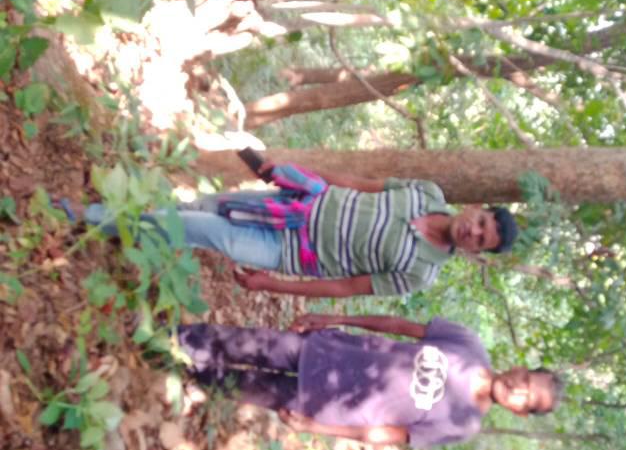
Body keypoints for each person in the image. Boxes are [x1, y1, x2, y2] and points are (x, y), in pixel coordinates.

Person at [57, 160, 518, 299]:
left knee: (199, 230)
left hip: (287, 249)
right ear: (476, 210)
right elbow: (356, 182)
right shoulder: (426, 191)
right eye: (481, 223)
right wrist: (296, 173)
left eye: (482, 241)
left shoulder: (421, 274)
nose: (473, 233)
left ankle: (87, 218)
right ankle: (120, 220)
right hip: (292, 203)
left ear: (477, 252)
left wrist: (272, 284)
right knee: (201, 206)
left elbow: (344, 288)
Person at [176, 313, 561, 449]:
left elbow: (392, 435)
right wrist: (335, 319)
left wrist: (317, 428)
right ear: (521, 368)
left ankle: (175, 370)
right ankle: (171, 341)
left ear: (520, 412)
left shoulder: (464, 426)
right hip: (327, 352)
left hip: (323, 404)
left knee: (234, 386)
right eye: (527, 378)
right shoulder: (468, 344)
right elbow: (398, 326)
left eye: (527, 399)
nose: (519, 388)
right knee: (241, 342)